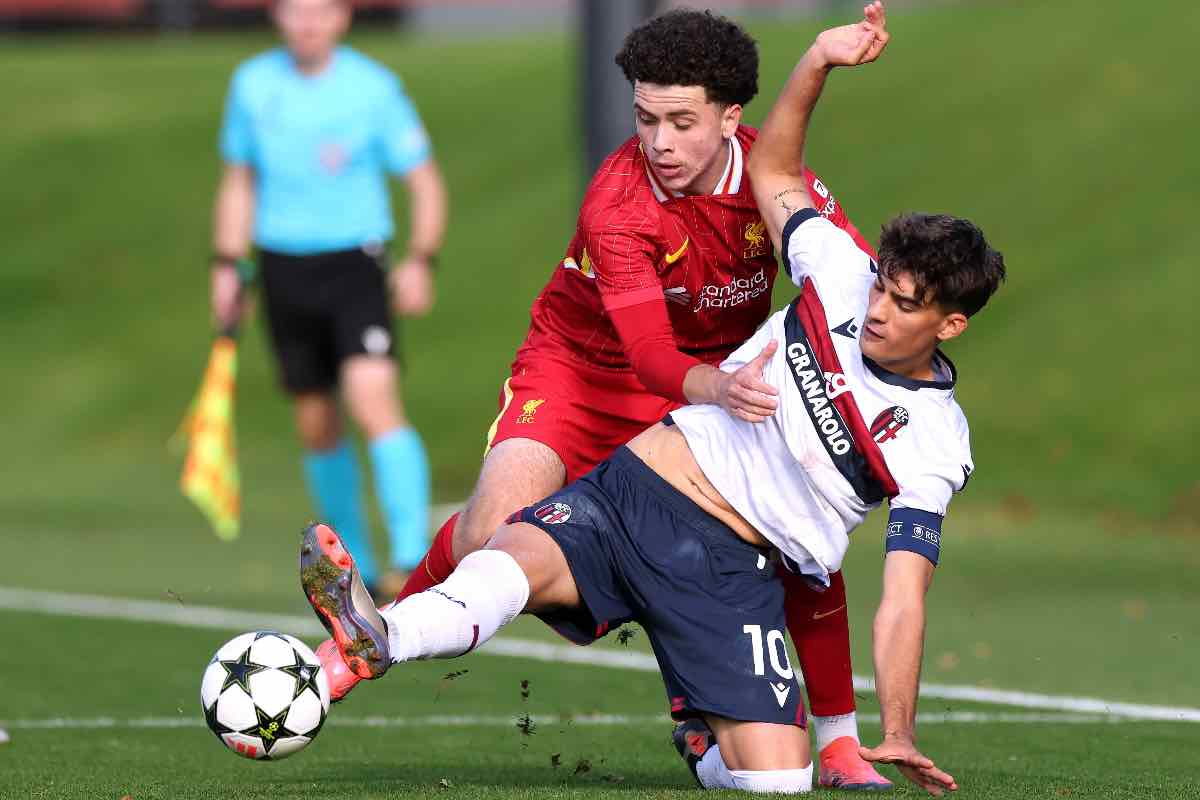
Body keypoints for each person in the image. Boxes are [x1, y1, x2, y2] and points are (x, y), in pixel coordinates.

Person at [300, 3, 1004, 794]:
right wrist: (725, 386)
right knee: (492, 534)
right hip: (589, 370)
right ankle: (359, 647)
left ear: (731, 117)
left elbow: (836, 252)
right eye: (644, 119)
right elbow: (648, 356)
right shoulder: (621, 203)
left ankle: (832, 745)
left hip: (716, 390)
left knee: (808, 532)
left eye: (680, 121)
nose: (660, 142)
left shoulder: (793, 206)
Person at [211, 0, 447, 598]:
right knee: (317, 422)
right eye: (296, 10)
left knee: (373, 400)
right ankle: (357, 566)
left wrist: (420, 258)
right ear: (278, 17)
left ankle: (412, 556)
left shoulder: (372, 87)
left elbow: (423, 181)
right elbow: (240, 180)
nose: (308, 22)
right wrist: (228, 265)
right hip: (282, 268)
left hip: (354, 264)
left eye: (321, 10)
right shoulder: (253, 84)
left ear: (342, 17)